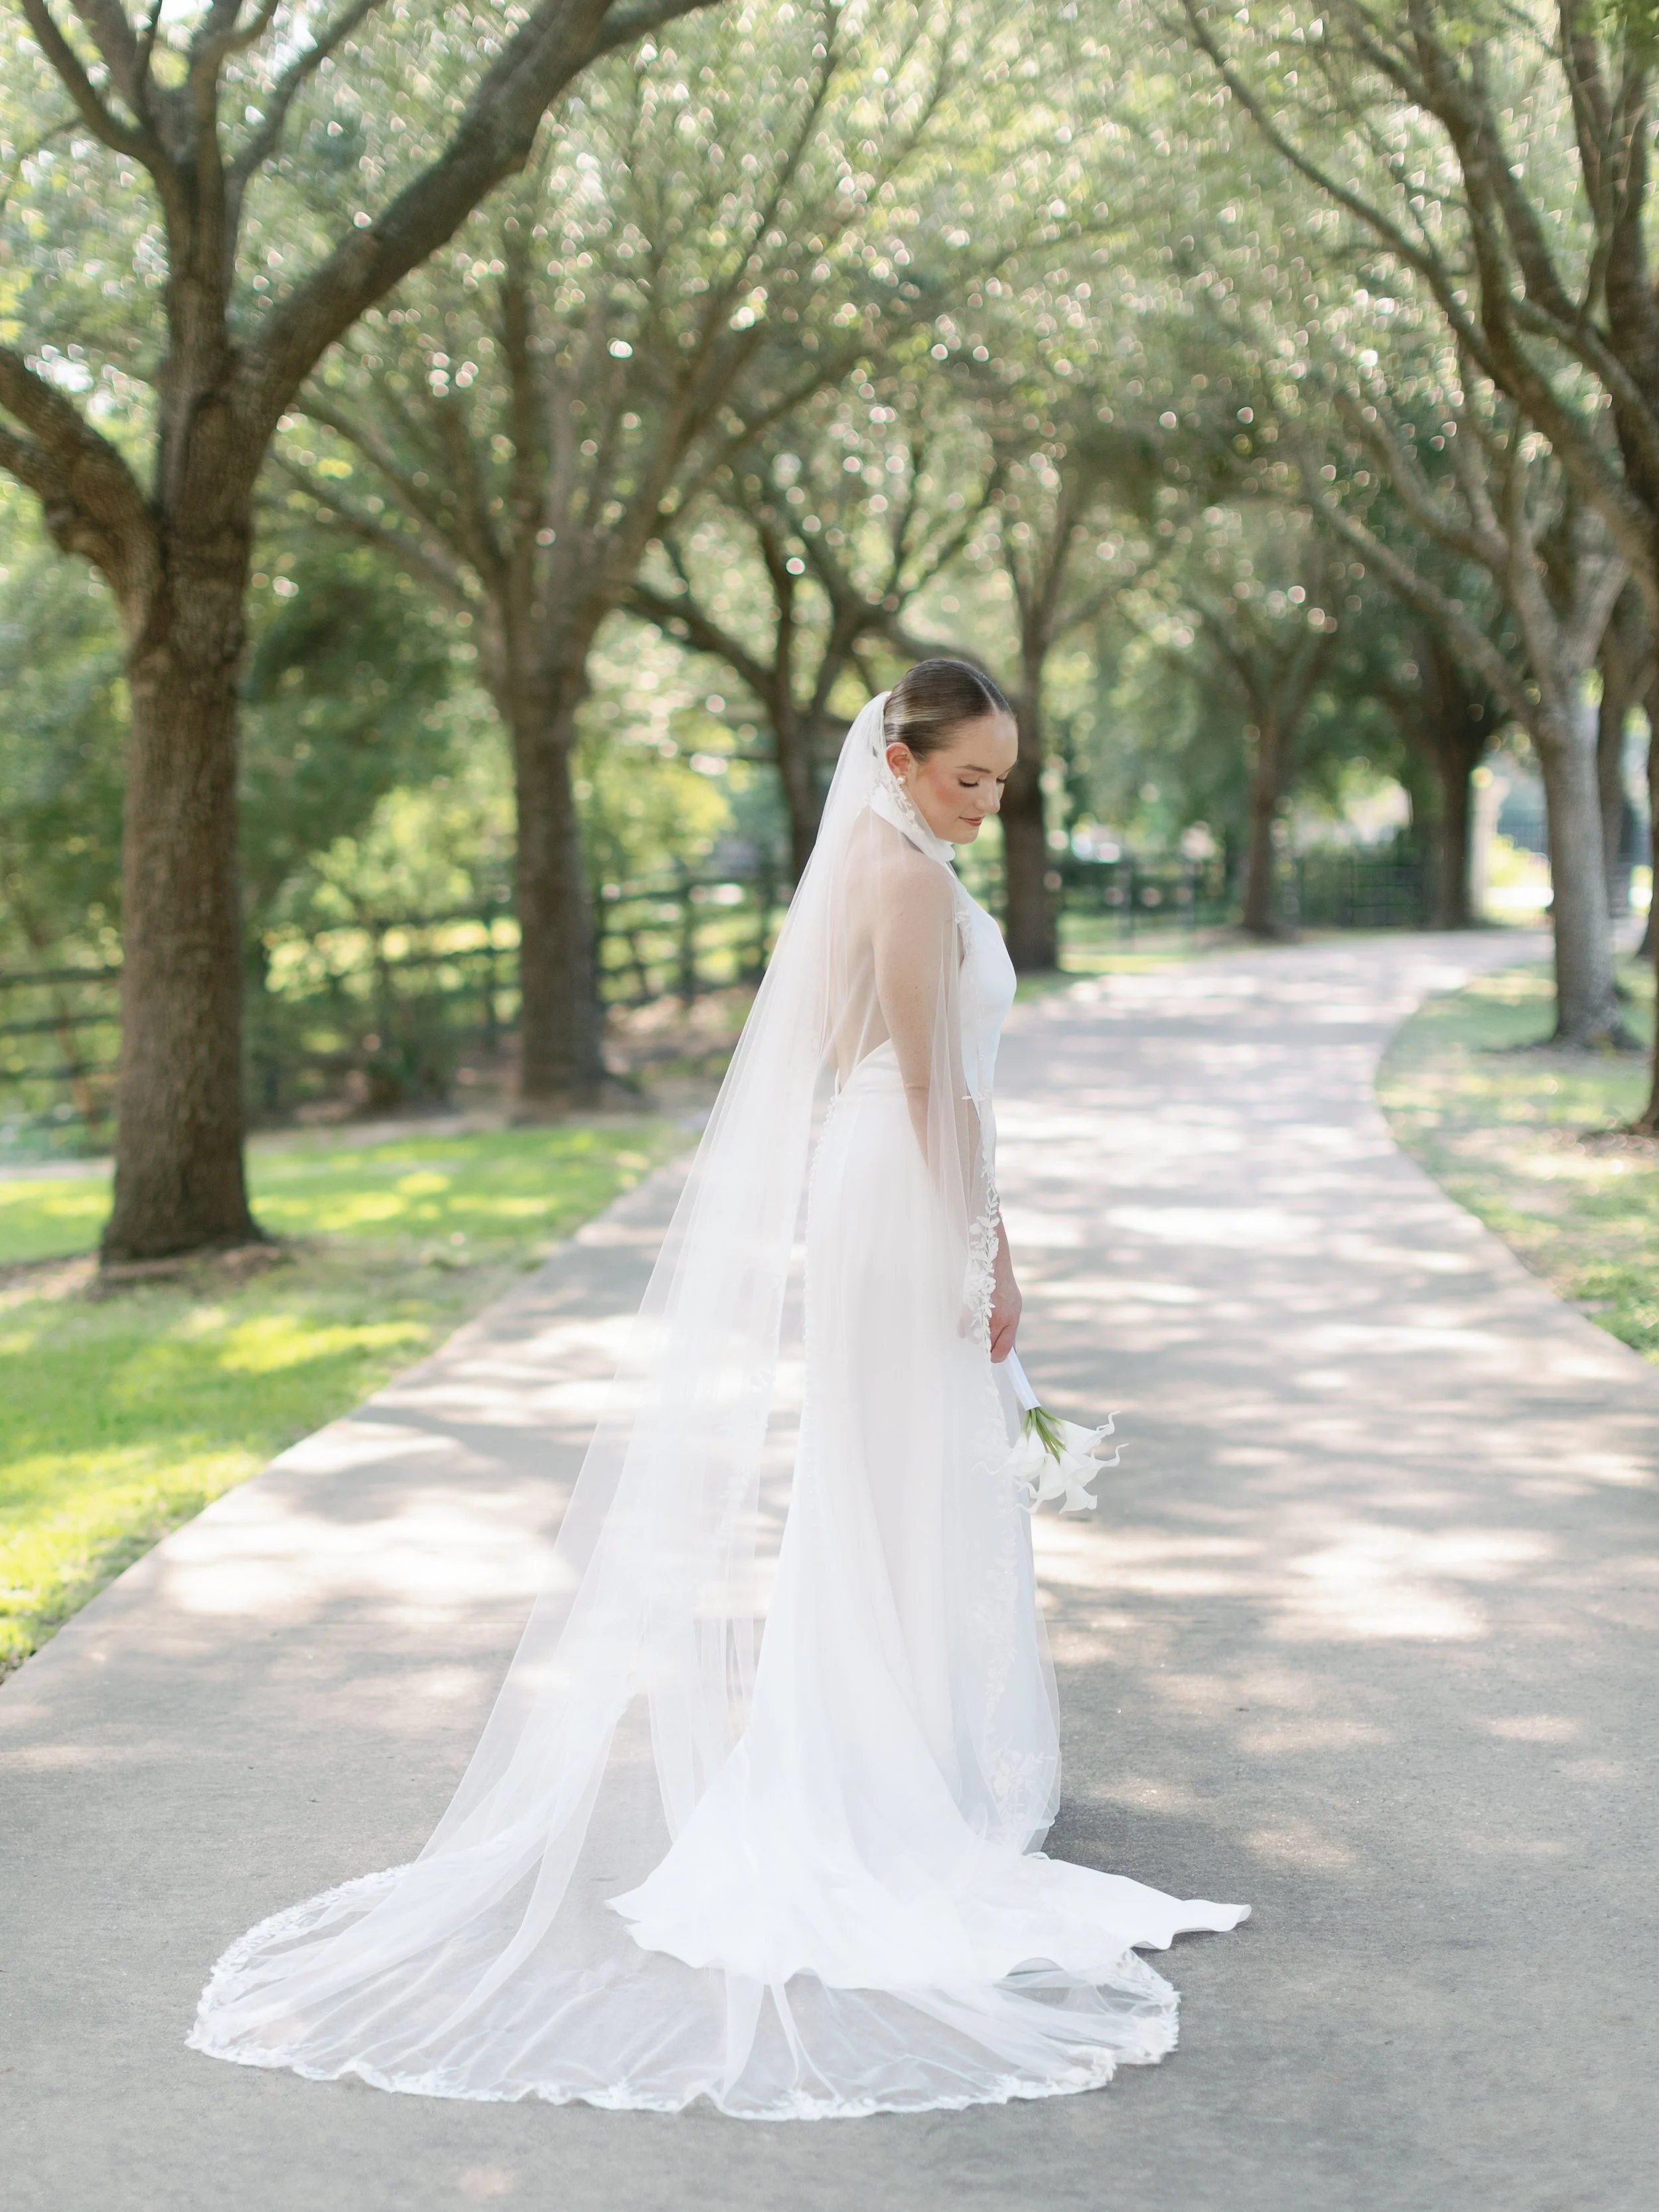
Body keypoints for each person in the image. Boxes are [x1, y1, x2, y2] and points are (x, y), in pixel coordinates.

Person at [189, 660, 1246, 2119]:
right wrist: (985, 1248)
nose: (987, 803)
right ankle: (886, 1775)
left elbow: (840, 1058)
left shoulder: (877, 867)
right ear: (900, 753)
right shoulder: (913, 885)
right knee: (904, 1477)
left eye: (1002, 781)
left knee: (884, 1479)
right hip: (907, 1192)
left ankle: (889, 1754)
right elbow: (937, 1090)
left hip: (874, 1181)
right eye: (968, 778)